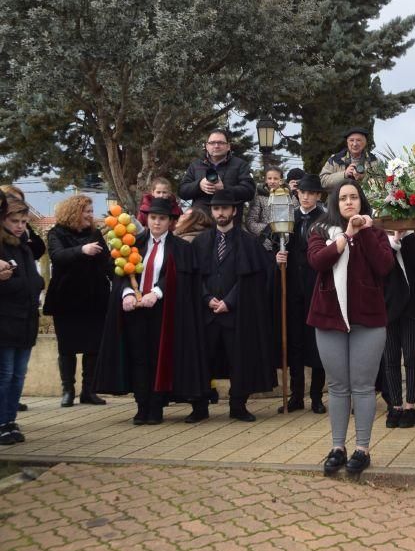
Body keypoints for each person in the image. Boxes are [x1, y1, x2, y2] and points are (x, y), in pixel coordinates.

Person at [306, 180, 394, 475]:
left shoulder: (377, 232)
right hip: (329, 318)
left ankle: (363, 448)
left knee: (363, 386)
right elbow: (318, 261)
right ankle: (337, 447)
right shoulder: (319, 231)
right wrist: (345, 235)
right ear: (335, 203)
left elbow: (384, 266)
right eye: (343, 198)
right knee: (338, 386)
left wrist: (364, 232)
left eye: (354, 197)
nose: (348, 202)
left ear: (361, 201)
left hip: (368, 320)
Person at [95, 199, 207, 425]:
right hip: (135, 312)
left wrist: (156, 292)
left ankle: (156, 407)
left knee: (158, 359)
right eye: (153, 218)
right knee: (138, 359)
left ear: (170, 222)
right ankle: (141, 406)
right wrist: (126, 292)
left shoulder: (181, 248)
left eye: (162, 219)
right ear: (147, 219)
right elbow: (120, 273)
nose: (157, 223)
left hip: (164, 313)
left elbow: (179, 278)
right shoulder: (133, 243)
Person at [190, 189, 276, 423]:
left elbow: (251, 280)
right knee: (202, 358)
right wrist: (207, 298)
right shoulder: (200, 242)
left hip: (237, 314)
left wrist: (229, 301)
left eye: (225, 208)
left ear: (234, 211)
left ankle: (238, 405)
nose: (220, 213)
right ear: (212, 212)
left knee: (239, 359)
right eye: (216, 209)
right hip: (206, 313)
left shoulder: (249, 242)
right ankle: (200, 407)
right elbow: (194, 278)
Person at [44, 194, 112, 407]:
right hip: (67, 298)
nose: (90, 215)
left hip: (94, 297)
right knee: (67, 347)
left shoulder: (95, 233)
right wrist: (82, 250)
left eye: (91, 211)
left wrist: (122, 276)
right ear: (74, 212)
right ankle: (68, 390)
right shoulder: (57, 233)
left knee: (93, 346)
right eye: (87, 211)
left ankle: (89, 391)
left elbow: (106, 261)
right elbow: (57, 256)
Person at [275, 174, 328, 414]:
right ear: (297, 194)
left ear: (318, 195)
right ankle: (297, 396)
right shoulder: (288, 218)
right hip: (293, 287)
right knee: (294, 341)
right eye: (302, 192)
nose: (305, 197)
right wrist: (277, 257)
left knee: (317, 343)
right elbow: (275, 243)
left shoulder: (326, 219)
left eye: (311, 193)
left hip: (316, 287)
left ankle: (316, 396)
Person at [0, 199, 44, 445]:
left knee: (18, 374)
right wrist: (18, 285)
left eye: (23, 222)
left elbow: (36, 280)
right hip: (6, 320)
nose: (19, 226)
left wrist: (33, 285)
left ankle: (9, 420)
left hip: (26, 320)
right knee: (4, 374)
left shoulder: (25, 248)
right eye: (14, 221)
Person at [380, 230, 415, 428]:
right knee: (390, 359)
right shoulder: (379, 234)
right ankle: (395, 405)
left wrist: (408, 234)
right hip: (387, 305)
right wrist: (392, 240)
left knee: (411, 357)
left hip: (413, 306)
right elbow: (379, 266)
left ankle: (410, 406)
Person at [178, 129, 255, 221]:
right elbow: (182, 191)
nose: (216, 146)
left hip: (229, 222)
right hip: (200, 222)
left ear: (228, 146)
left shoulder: (240, 165)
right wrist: (199, 185)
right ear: (207, 146)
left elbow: (249, 192)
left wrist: (224, 189)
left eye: (221, 142)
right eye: (212, 143)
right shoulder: (196, 165)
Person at [246, 165, 299, 245]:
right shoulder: (259, 197)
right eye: (269, 178)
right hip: (265, 243)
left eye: (276, 178)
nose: (272, 181)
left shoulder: (290, 197)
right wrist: (271, 230)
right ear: (266, 180)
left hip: (287, 243)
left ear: (281, 180)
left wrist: (285, 230)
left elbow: (298, 218)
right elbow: (250, 222)